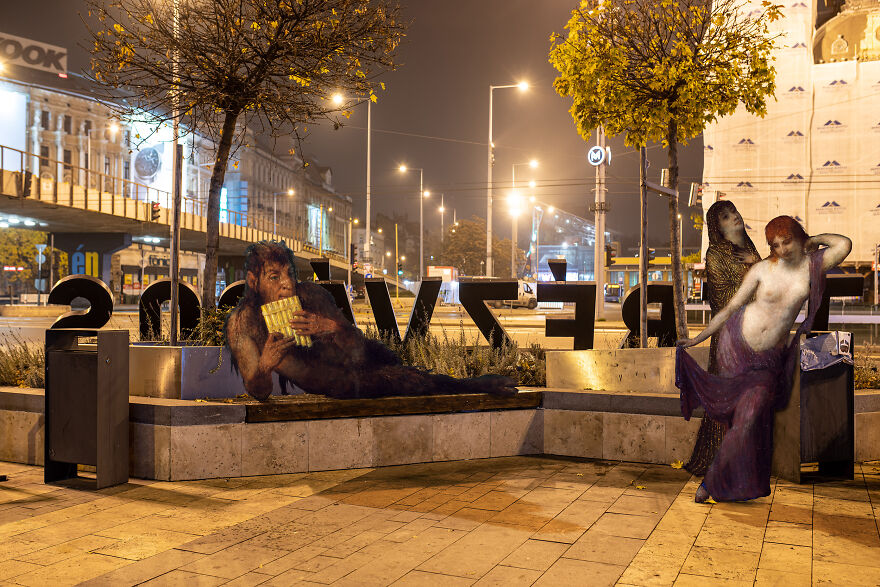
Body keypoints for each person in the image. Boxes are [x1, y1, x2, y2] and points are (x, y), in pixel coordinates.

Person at [676, 216, 850, 502]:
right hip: (735, 346)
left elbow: (844, 244)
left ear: (798, 237)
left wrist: (812, 240)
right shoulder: (762, 269)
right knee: (742, 418)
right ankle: (717, 479)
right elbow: (731, 307)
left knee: (748, 417)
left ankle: (712, 479)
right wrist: (698, 337)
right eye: (775, 244)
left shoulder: (811, 265)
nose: (781, 249)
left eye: (787, 241)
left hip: (768, 359)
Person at [225, 241, 517, 400]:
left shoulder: (311, 295)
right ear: (253, 281)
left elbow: (358, 349)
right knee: (407, 381)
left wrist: (331, 328)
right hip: (339, 385)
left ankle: (475, 386)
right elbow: (259, 392)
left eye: (289, 274)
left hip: (359, 363)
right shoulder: (243, 323)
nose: (286, 285)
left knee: (402, 372)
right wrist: (265, 365)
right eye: (274, 277)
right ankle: (474, 386)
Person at [684, 201, 761, 476]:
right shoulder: (714, 253)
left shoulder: (749, 249)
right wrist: (751, 275)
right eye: (727, 217)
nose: (735, 218)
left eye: (735, 212)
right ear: (718, 226)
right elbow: (723, 300)